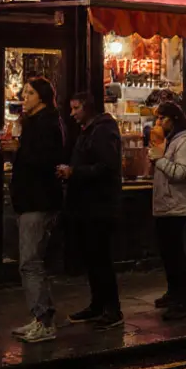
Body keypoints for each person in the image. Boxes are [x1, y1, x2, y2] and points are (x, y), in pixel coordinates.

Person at [0, 78, 65, 344]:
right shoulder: (32, 123)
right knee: (30, 262)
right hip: (28, 200)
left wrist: (18, 149)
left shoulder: (48, 124)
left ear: (42, 97)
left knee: (30, 263)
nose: (24, 97)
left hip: (39, 202)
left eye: (29, 93)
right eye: (23, 92)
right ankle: (40, 316)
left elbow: (47, 161)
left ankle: (44, 322)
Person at [61, 92, 124, 331]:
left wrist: (74, 172)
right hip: (87, 206)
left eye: (76, 108)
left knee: (101, 259)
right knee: (92, 259)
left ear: (87, 108)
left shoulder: (103, 130)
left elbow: (107, 167)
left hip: (100, 206)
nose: (72, 113)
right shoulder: (89, 131)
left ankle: (112, 309)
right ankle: (98, 305)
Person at [148, 102, 186, 320]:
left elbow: (182, 173)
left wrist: (159, 160)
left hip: (177, 206)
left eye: (162, 118)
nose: (158, 122)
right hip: (165, 205)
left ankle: (182, 301)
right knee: (168, 254)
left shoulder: (185, 142)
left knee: (177, 255)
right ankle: (173, 293)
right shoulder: (170, 141)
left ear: (174, 119)